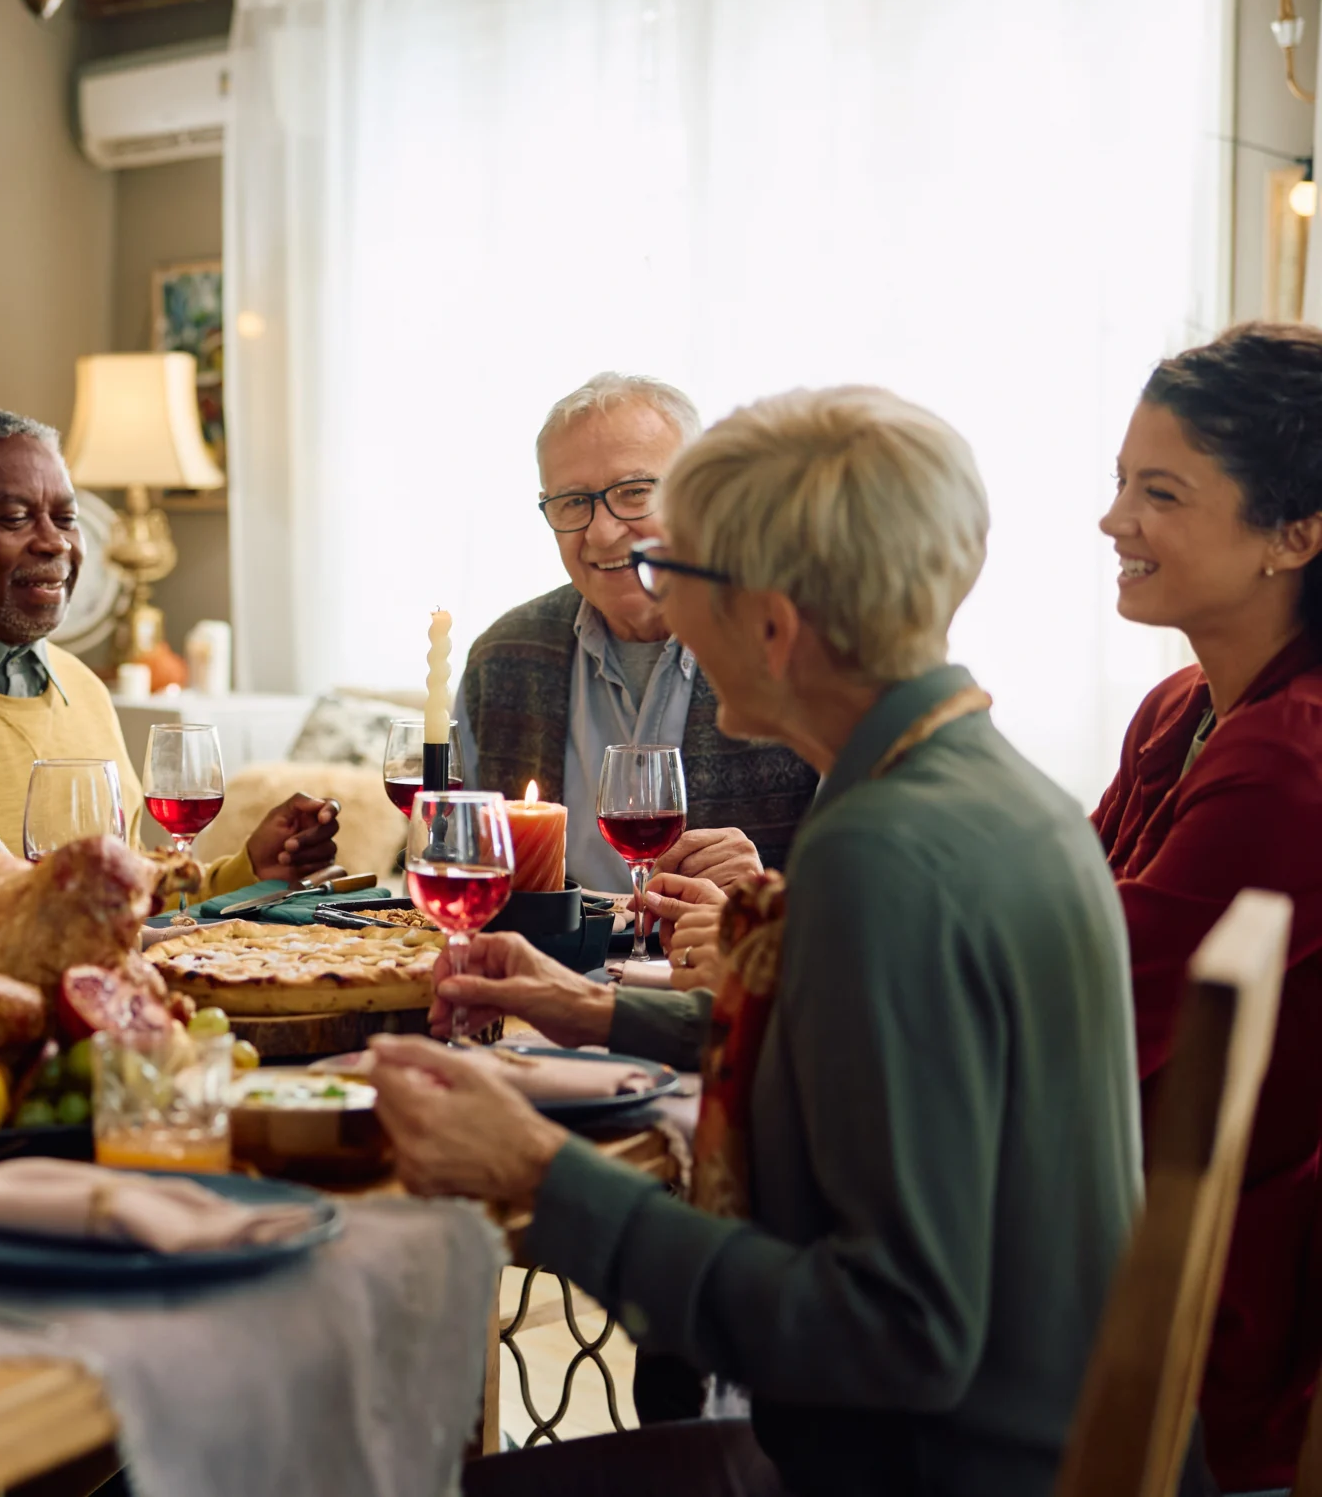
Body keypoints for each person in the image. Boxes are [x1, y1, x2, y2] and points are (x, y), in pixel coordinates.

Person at [379, 388, 1139, 1496]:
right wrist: (597, 1009)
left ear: (773, 625)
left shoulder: (881, 857)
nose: (665, 610)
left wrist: (544, 1174)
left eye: (681, 579)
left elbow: (892, 1338)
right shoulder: (989, 789)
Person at [1093, 322, 1322, 1490]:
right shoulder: (1180, 707)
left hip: (1204, 1310)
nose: (1112, 521)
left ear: (1296, 531)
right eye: (1121, 481)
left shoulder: (1289, 760)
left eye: (1161, 491)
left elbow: (1079, 1011)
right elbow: (1062, 930)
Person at [0, 408, 338, 888]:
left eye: (66, 518)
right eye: (15, 518)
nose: (55, 543)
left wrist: (250, 870)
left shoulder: (83, 688)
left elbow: (124, 898)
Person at [450, 374, 816, 897]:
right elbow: (448, 852)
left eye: (635, 492)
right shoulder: (503, 656)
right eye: (574, 502)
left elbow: (868, 892)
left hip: (729, 972)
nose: (601, 532)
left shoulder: (796, 649)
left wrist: (771, 899)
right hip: (548, 969)